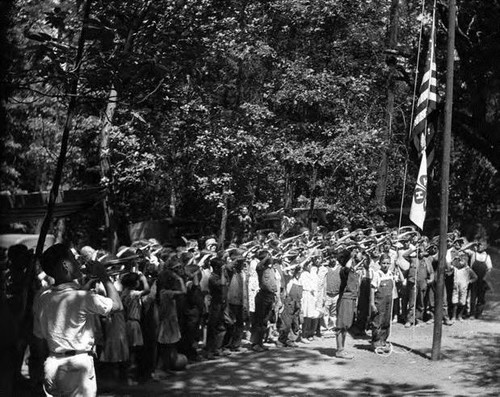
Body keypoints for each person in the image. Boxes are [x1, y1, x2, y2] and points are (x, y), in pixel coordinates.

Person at [33, 244, 122, 397]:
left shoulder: (42, 298)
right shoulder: (82, 298)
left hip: (52, 364)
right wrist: (104, 276)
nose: (78, 262)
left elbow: (38, 338)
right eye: (74, 259)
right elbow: (117, 306)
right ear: (65, 265)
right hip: (76, 367)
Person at [370, 254, 396, 351]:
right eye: (383, 263)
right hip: (379, 301)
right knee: (378, 321)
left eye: (387, 263)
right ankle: (376, 342)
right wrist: (372, 304)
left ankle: (383, 341)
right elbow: (372, 289)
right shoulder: (377, 274)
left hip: (388, 302)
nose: (385, 265)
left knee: (386, 321)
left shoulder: (390, 273)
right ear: (380, 263)